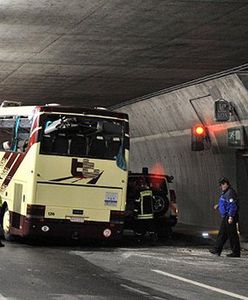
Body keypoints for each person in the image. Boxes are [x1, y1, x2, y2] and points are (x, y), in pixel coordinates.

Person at [209, 177, 240, 257]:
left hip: (229, 216)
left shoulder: (230, 192)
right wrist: (219, 205)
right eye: (220, 184)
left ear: (227, 184)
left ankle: (236, 252)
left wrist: (231, 217)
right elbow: (225, 203)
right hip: (226, 216)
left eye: (223, 184)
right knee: (222, 234)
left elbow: (233, 206)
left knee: (232, 234)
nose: (221, 186)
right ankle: (217, 250)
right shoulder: (225, 192)